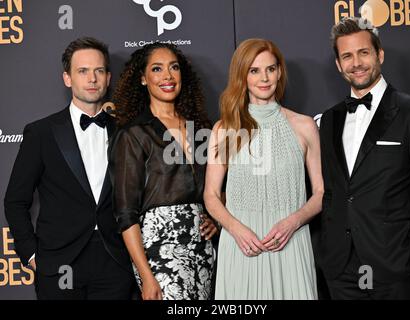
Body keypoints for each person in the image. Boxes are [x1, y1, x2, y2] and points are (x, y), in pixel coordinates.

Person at [4, 37, 135, 299]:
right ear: (67, 78)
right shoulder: (41, 133)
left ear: (109, 78)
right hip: (58, 262)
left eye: (99, 71)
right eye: (83, 71)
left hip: (115, 260)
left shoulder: (126, 131)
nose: (92, 79)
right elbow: (15, 201)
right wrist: (31, 254)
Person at [319, 17, 410, 299]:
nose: (356, 63)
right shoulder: (330, 119)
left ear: (379, 54)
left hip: (394, 263)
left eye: (363, 52)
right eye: (347, 55)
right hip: (341, 267)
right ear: (338, 64)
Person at [204, 38, 323, 299]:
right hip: (242, 244)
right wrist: (236, 229)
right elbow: (211, 195)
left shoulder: (304, 126)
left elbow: (321, 193)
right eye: (254, 71)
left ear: (279, 72)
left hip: (290, 241)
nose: (264, 78)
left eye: (270, 69)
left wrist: (294, 221)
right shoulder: (224, 129)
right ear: (242, 76)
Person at [109, 42, 218, 300]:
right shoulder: (133, 134)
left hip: (203, 250)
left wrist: (215, 217)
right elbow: (126, 214)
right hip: (158, 254)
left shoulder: (201, 128)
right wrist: (146, 275)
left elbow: (215, 188)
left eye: (174, 67)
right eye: (157, 69)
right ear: (143, 79)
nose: (168, 76)